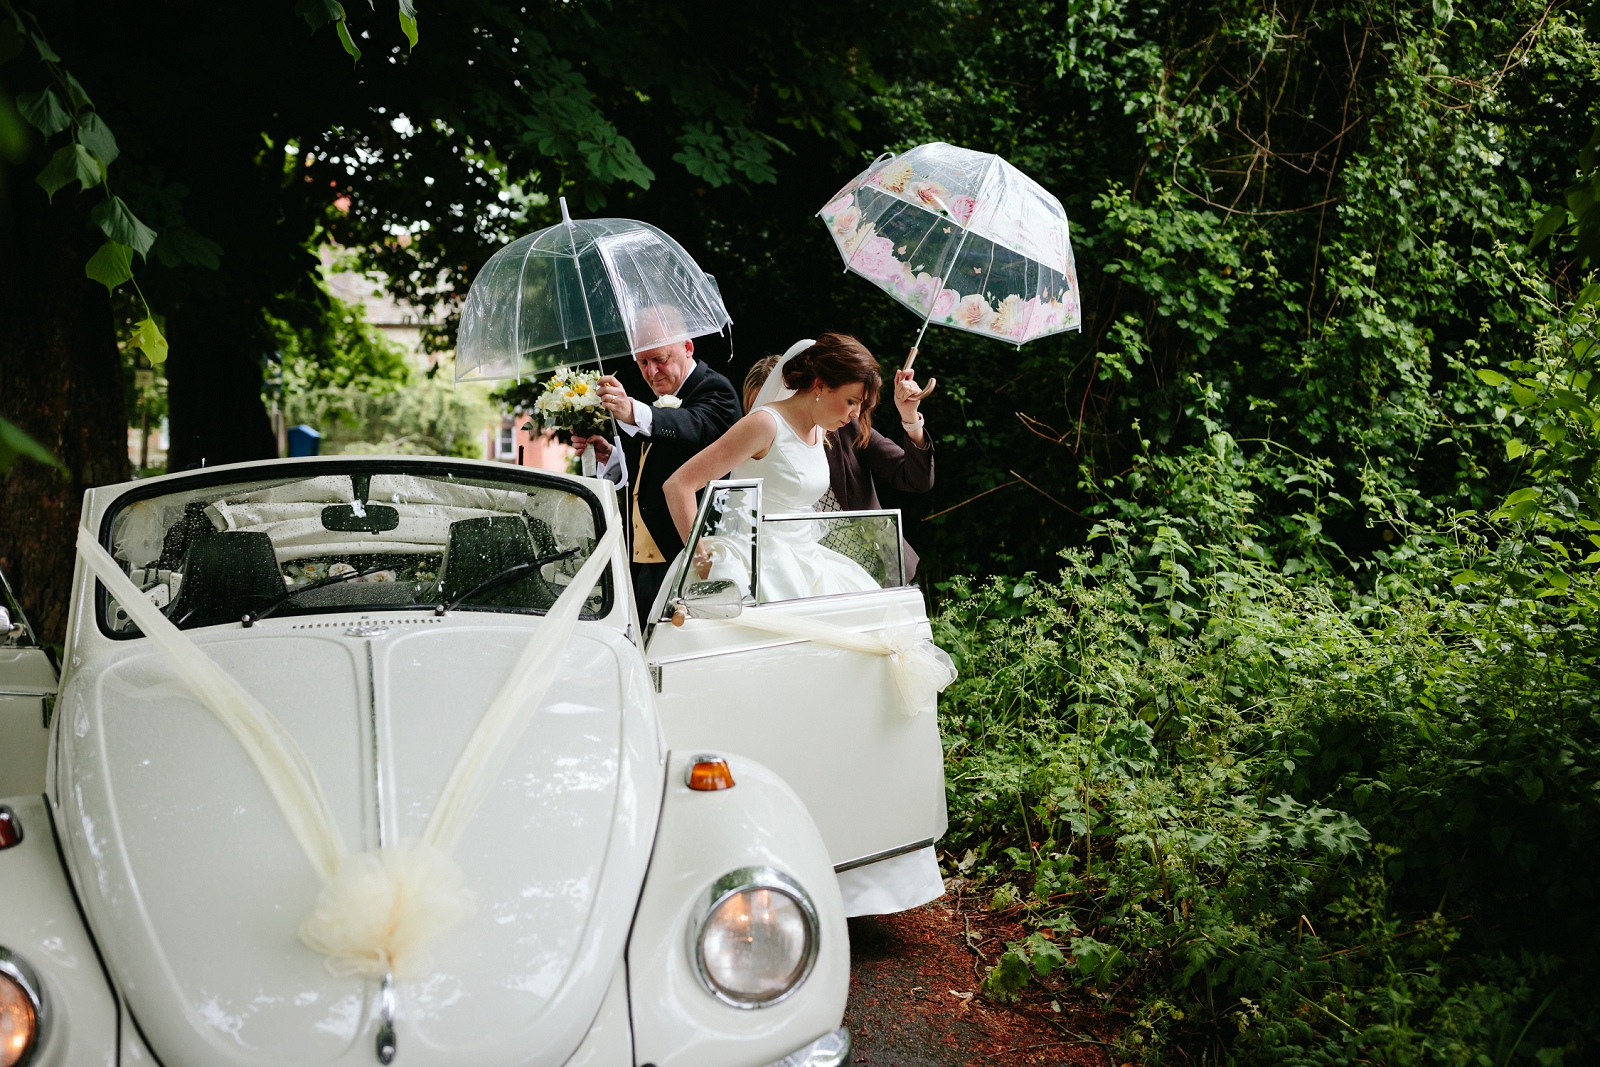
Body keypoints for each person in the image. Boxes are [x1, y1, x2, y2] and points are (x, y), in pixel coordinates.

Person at [664, 334, 886, 603]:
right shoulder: (765, 425)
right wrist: (702, 564)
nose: (855, 413)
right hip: (755, 567)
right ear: (820, 386)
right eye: (852, 401)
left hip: (807, 561)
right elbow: (679, 485)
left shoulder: (818, 429)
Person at [574, 306, 741, 619]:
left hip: (691, 556)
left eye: (660, 359)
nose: (651, 372)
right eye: (642, 362)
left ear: (687, 347)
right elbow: (649, 466)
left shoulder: (716, 390)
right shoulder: (660, 399)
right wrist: (609, 455)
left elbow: (693, 427)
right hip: (641, 560)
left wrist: (631, 411)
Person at [741, 351, 935, 580]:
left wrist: (910, 418)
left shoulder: (846, 428)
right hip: (800, 572)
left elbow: (917, 479)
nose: (769, 415)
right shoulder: (750, 446)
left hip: (873, 566)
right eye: (758, 408)